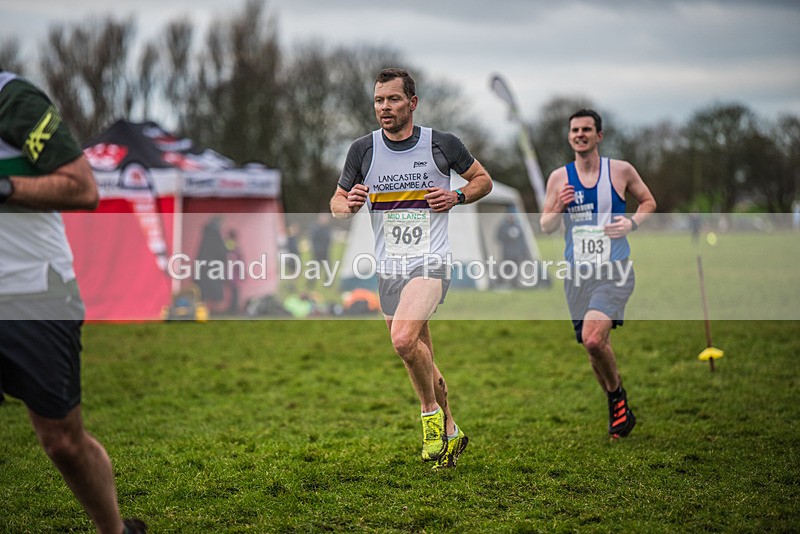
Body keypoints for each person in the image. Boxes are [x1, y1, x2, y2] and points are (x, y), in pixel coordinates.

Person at [0, 70, 147, 533]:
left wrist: (5, 187)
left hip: (34, 293)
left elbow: (83, 189)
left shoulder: (13, 100)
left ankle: (114, 530)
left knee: (62, 440)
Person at [330, 67, 493, 468]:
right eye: (379, 100)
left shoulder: (442, 144)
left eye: (393, 99)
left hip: (430, 263)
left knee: (403, 340)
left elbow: (483, 180)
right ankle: (451, 431)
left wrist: (456, 196)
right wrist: (348, 205)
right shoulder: (362, 150)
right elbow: (336, 203)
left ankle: (430, 416)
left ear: (412, 103)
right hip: (389, 270)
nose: (384, 107)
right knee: (420, 356)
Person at [540, 109, 656, 439]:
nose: (580, 134)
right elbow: (546, 225)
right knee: (594, 347)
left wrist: (632, 223)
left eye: (587, 129)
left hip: (613, 271)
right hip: (576, 276)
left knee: (593, 338)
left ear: (598, 136)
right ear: (569, 137)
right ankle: (617, 406)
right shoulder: (559, 178)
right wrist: (558, 207)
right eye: (575, 130)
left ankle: (617, 396)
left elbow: (648, 202)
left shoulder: (620, 171)